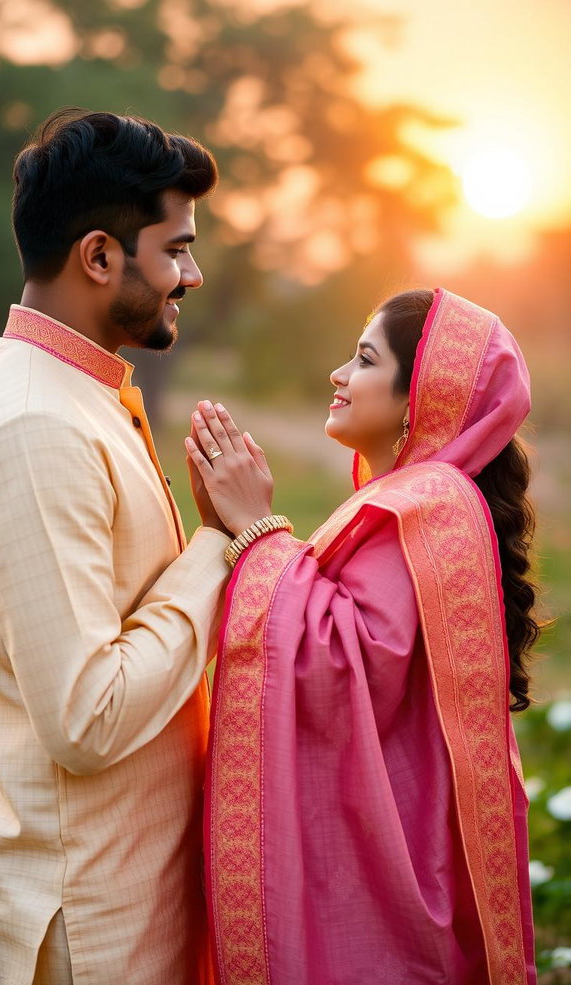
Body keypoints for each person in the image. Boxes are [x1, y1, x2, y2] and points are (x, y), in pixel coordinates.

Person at [0, 108, 233, 985]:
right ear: (99, 257)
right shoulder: (36, 424)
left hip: (114, 902)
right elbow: (87, 717)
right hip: (82, 930)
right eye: (174, 250)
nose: (194, 273)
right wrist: (217, 545)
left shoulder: (72, 394)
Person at [185, 287, 539, 984]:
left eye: (365, 359)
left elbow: (338, 661)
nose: (338, 376)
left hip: (396, 868)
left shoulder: (428, 506)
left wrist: (256, 530)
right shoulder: (408, 503)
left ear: (421, 397)